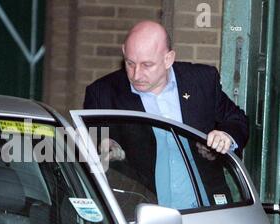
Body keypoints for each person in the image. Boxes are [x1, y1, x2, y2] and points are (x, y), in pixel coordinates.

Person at [83, 20, 249, 210]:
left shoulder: (201, 80)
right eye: (130, 63)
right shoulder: (102, 93)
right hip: (142, 212)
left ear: (168, 59)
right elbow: (90, 142)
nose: (136, 74)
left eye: (147, 65)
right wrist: (103, 145)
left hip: (206, 209)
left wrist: (225, 136)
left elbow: (237, 120)